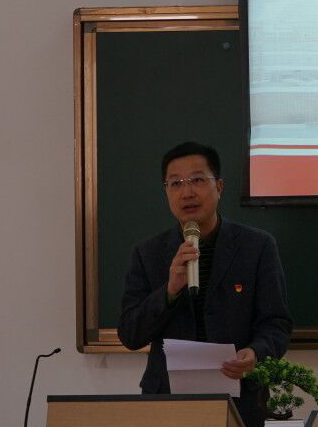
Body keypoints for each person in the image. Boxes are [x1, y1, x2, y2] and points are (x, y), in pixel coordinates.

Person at [117, 142, 292, 427]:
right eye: (176, 183)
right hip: (166, 402)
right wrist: (170, 291)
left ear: (219, 187)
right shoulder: (147, 254)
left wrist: (256, 353)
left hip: (241, 400)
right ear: (166, 192)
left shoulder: (257, 246)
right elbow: (130, 335)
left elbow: (276, 324)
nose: (187, 192)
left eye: (197, 180)